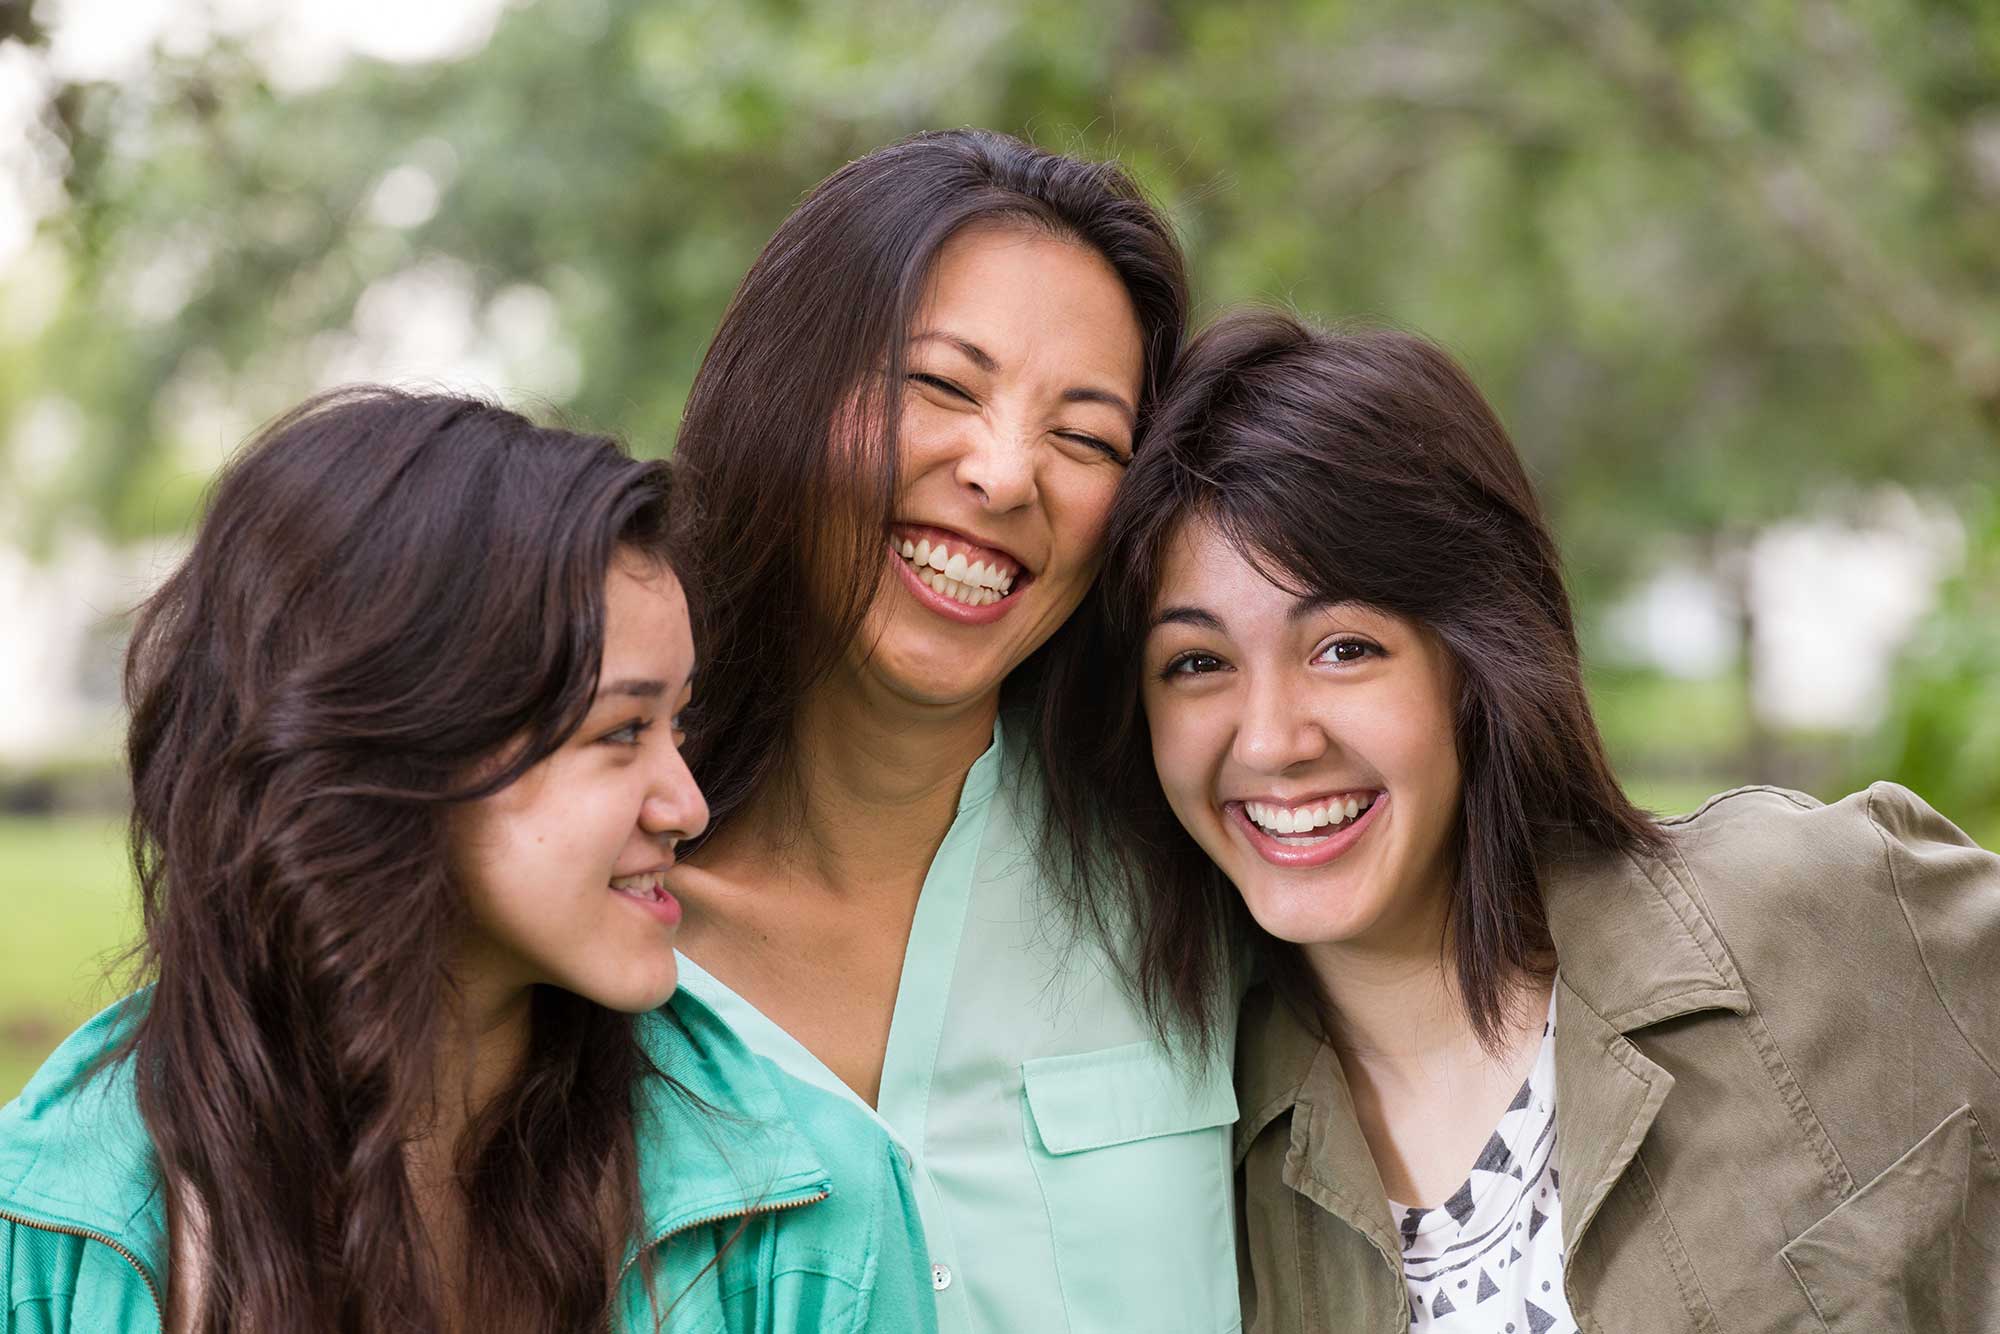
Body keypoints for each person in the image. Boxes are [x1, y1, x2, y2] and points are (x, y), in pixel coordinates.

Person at [1049, 310, 2000, 1333]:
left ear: (1473, 654)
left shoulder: (1814, 909)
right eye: (1196, 663)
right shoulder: (1189, 1165)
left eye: (1342, 647)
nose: (1272, 738)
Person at [0, 389, 935, 1334]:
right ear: (384, 753)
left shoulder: (817, 1215)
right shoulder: (39, 1231)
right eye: (620, 732)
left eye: (678, 723)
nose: (687, 805)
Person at [665, 129, 1243, 1333]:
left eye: (1084, 438)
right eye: (940, 384)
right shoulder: (586, 917)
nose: (1002, 471)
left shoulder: (1199, 878)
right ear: (788, 387)